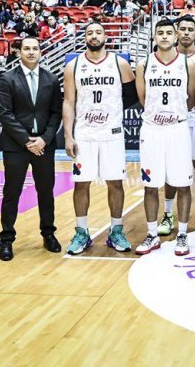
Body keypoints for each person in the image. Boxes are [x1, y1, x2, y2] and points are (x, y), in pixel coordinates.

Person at [63, 23, 137, 255]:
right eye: (89, 33)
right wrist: (68, 135)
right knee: (81, 183)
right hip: (84, 134)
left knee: (115, 182)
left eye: (98, 33)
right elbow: (68, 102)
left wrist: (110, 112)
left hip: (111, 134)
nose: (94, 36)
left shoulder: (120, 63)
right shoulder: (73, 66)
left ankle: (116, 230)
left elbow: (131, 96)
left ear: (106, 37)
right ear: (84, 38)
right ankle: (81, 232)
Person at [0, 37, 63, 261]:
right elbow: (5, 114)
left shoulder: (52, 79)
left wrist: (44, 139)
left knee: (45, 192)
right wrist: (27, 141)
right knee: (11, 193)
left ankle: (48, 234)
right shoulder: (6, 78)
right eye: (27, 48)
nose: (31, 52)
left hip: (44, 145)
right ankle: (6, 239)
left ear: (41, 52)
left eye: (35, 48)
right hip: (16, 146)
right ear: (19, 52)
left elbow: (56, 113)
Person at [134, 19, 195, 256]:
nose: (164, 36)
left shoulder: (187, 64)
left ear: (175, 36)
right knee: (150, 185)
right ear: (154, 37)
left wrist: (173, 116)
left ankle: (182, 234)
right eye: (159, 33)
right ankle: (152, 234)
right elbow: (142, 98)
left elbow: (191, 98)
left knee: (182, 184)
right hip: (152, 130)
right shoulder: (144, 64)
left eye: (168, 33)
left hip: (178, 129)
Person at [157, 16, 195, 235]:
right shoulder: (162, 60)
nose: (186, 33)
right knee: (172, 169)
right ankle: (168, 213)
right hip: (174, 120)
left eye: (190, 29)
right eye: (182, 29)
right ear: (175, 32)